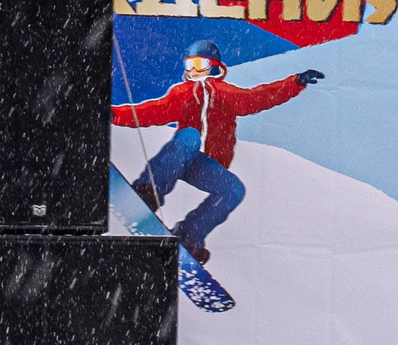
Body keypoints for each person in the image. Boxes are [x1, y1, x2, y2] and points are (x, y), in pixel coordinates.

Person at [113, 39, 323, 264]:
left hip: (205, 165)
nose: (193, 70)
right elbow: (150, 112)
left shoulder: (226, 94)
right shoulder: (181, 94)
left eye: (200, 64)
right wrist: (115, 114)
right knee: (189, 136)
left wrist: (295, 83)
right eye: (189, 65)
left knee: (234, 189)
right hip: (179, 157)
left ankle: (189, 235)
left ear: (214, 66)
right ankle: (148, 190)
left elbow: (258, 98)